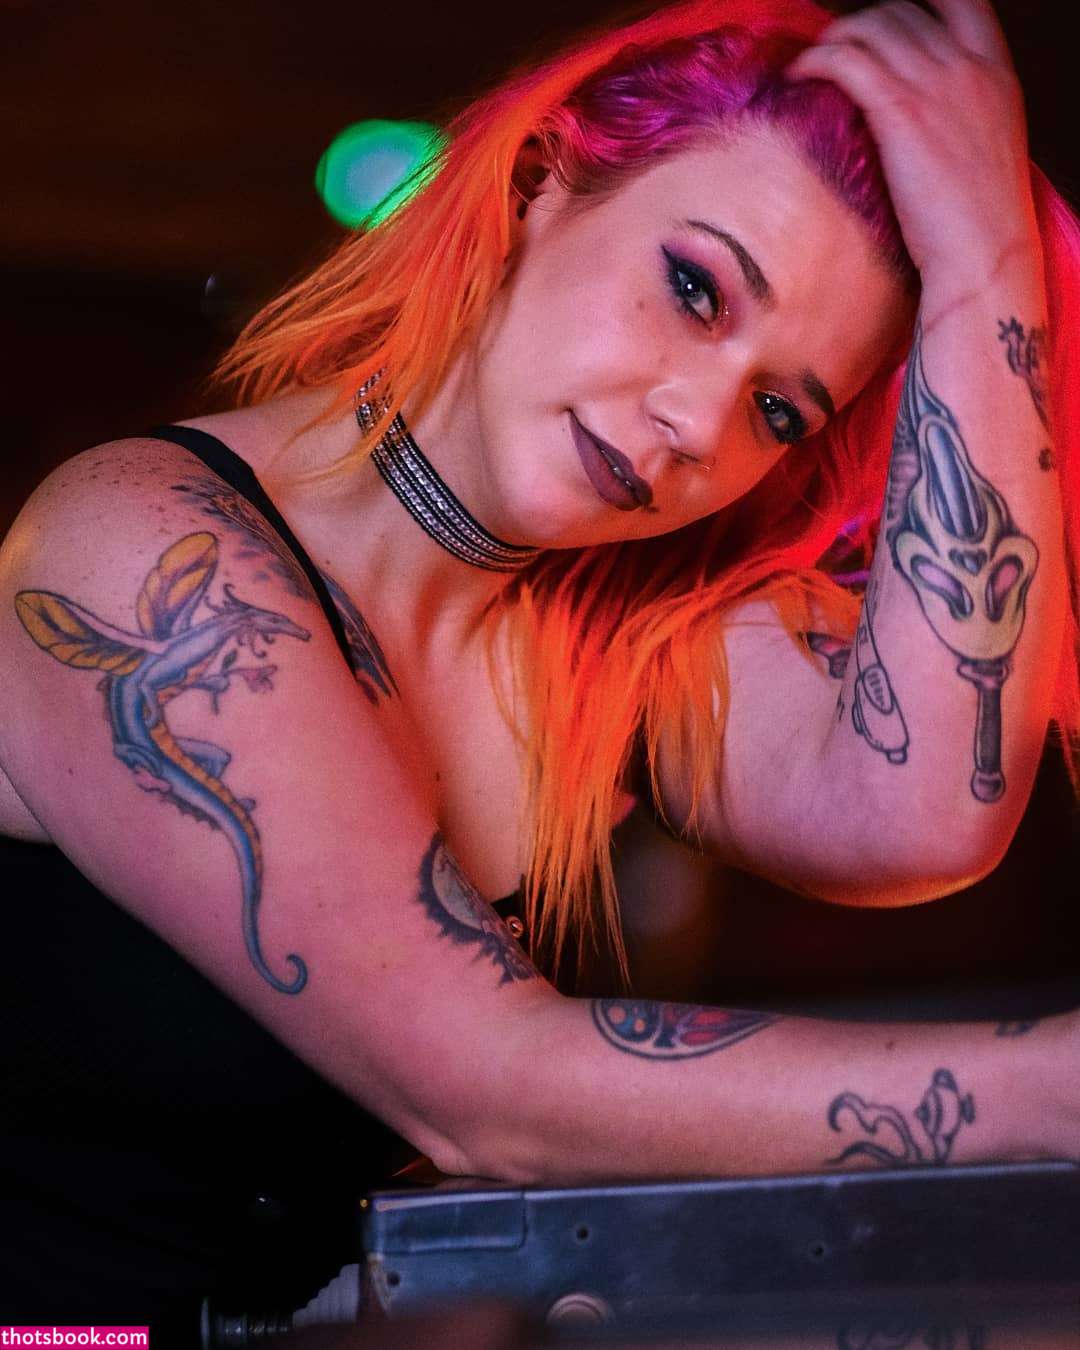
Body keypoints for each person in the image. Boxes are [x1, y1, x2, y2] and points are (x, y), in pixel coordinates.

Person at [1, 0, 1078, 1337]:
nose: (697, 422)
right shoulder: (137, 548)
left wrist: (986, 269)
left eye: (778, 409)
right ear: (537, 185)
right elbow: (485, 1081)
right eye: (696, 289)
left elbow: (923, 812)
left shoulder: (616, 630)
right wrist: (1044, 1091)